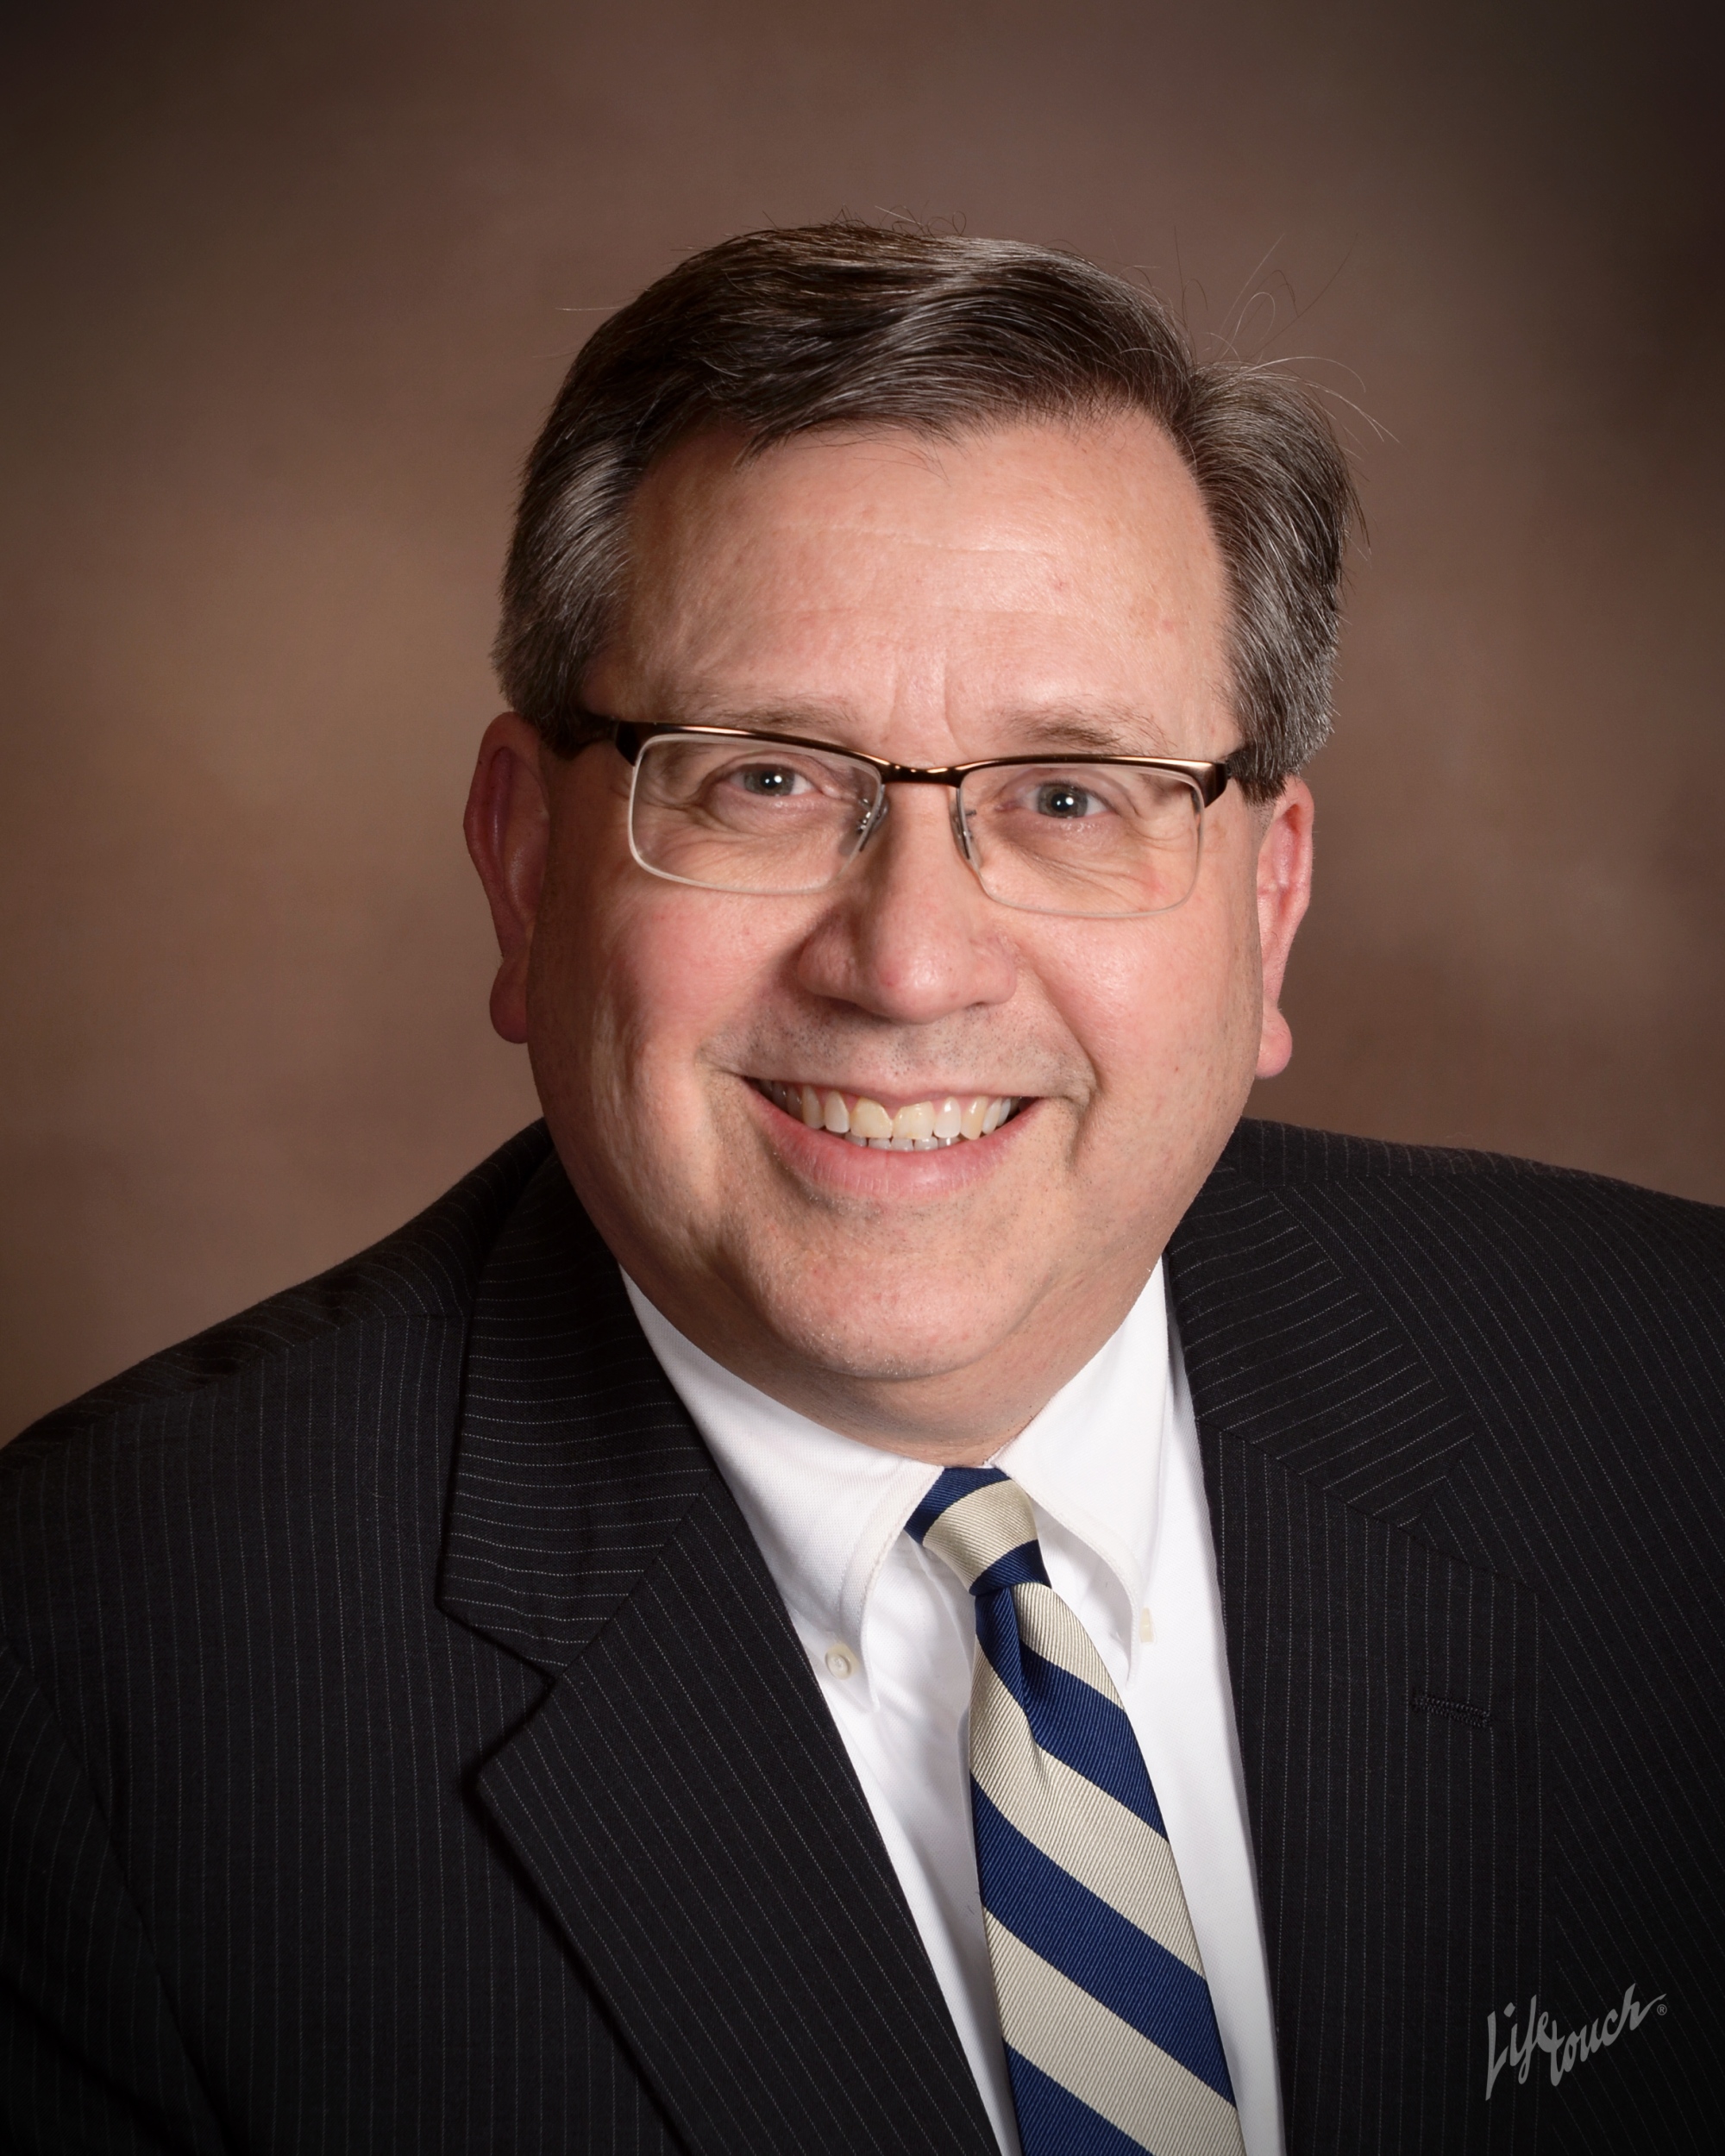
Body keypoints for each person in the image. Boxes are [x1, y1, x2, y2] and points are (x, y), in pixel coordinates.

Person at [2, 224, 1720, 2156]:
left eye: (1068, 795)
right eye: (764, 778)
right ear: (523, 866)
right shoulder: (90, 1683)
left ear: (1269, 904)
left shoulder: (1681, 1409)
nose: (907, 967)